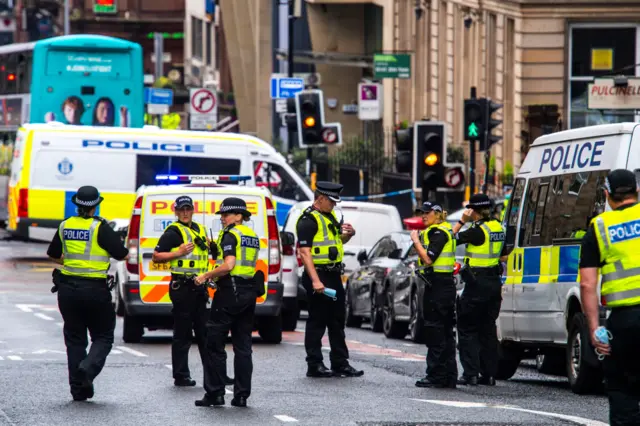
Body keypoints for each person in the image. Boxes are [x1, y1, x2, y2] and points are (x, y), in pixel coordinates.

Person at [46, 186, 129, 401]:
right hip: (95, 291)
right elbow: (121, 255)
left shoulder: (65, 225)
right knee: (103, 336)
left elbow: (53, 254)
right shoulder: (100, 227)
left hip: (67, 291)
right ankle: (88, 369)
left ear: (77, 204)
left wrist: (72, 264)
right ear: (95, 205)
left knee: (75, 340)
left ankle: (78, 389)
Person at [579, 169, 640, 426]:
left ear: (607, 195)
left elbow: (587, 284)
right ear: (637, 193)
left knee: (623, 392)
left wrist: (594, 330)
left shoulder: (600, 227)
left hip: (625, 324)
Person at [152, 195, 229, 387]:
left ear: (192, 210)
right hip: (183, 287)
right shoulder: (173, 231)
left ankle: (213, 375)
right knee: (183, 333)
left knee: (205, 333)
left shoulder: (200, 229)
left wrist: (213, 248)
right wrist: (177, 253)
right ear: (176, 211)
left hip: (199, 287)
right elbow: (156, 256)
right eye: (181, 209)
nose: (185, 213)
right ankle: (181, 375)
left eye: (188, 209)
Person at [194, 198, 263, 408]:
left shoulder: (230, 234)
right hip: (248, 294)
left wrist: (205, 276)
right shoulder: (252, 235)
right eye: (222, 215)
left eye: (226, 214)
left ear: (239, 216)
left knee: (214, 344)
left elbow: (229, 264)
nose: (222, 218)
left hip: (228, 294)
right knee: (243, 346)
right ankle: (241, 396)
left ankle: (215, 393)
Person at [296, 181, 364, 378]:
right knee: (317, 320)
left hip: (333, 274)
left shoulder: (330, 217)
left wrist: (349, 235)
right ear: (321, 198)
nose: (334, 205)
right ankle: (314, 364)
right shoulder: (308, 220)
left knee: (337, 320)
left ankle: (340, 363)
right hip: (319, 274)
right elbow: (305, 252)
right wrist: (316, 281)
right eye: (331, 201)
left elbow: (336, 242)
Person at [452, 193, 507, 386]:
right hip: (494, 284)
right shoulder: (498, 227)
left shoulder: (477, 231)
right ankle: (489, 375)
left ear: (473, 211)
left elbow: (449, 239)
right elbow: (504, 254)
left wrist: (461, 221)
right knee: (488, 330)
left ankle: (470, 373)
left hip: (476, 285)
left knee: (467, 329)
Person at [410, 202, 458, 389]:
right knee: (445, 332)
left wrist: (415, 240)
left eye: (427, 213)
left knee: (435, 331)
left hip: (437, 286)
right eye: (422, 212)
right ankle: (449, 375)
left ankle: (436, 375)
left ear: (437, 214)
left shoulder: (438, 233)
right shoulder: (445, 230)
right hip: (443, 285)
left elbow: (429, 258)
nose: (423, 216)